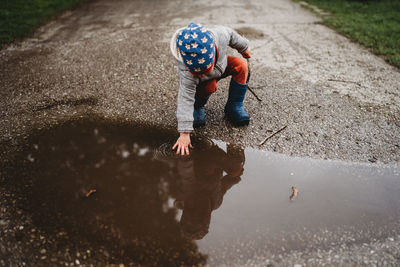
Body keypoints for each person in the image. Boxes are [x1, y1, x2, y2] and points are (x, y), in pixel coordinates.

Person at [170, 22, 251, 155]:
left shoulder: (220, 35)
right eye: (198, 73)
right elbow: (185, 98)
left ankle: (234, 106)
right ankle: (198, 106)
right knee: (209, 86)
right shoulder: (187, 72)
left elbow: (232, 35)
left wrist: (244, 47)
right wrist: (184, 133)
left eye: (204, 70)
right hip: (203, 84)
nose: (203, 74)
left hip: (221, 66)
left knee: (241, 65)